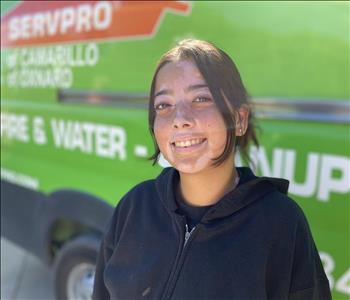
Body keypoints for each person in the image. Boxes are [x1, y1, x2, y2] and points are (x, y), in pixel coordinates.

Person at [92, 39, 331, 300]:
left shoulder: (282, 222)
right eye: (164, 105)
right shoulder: (134, 206)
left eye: (201, 98)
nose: (180, 119)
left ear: (239, 119)